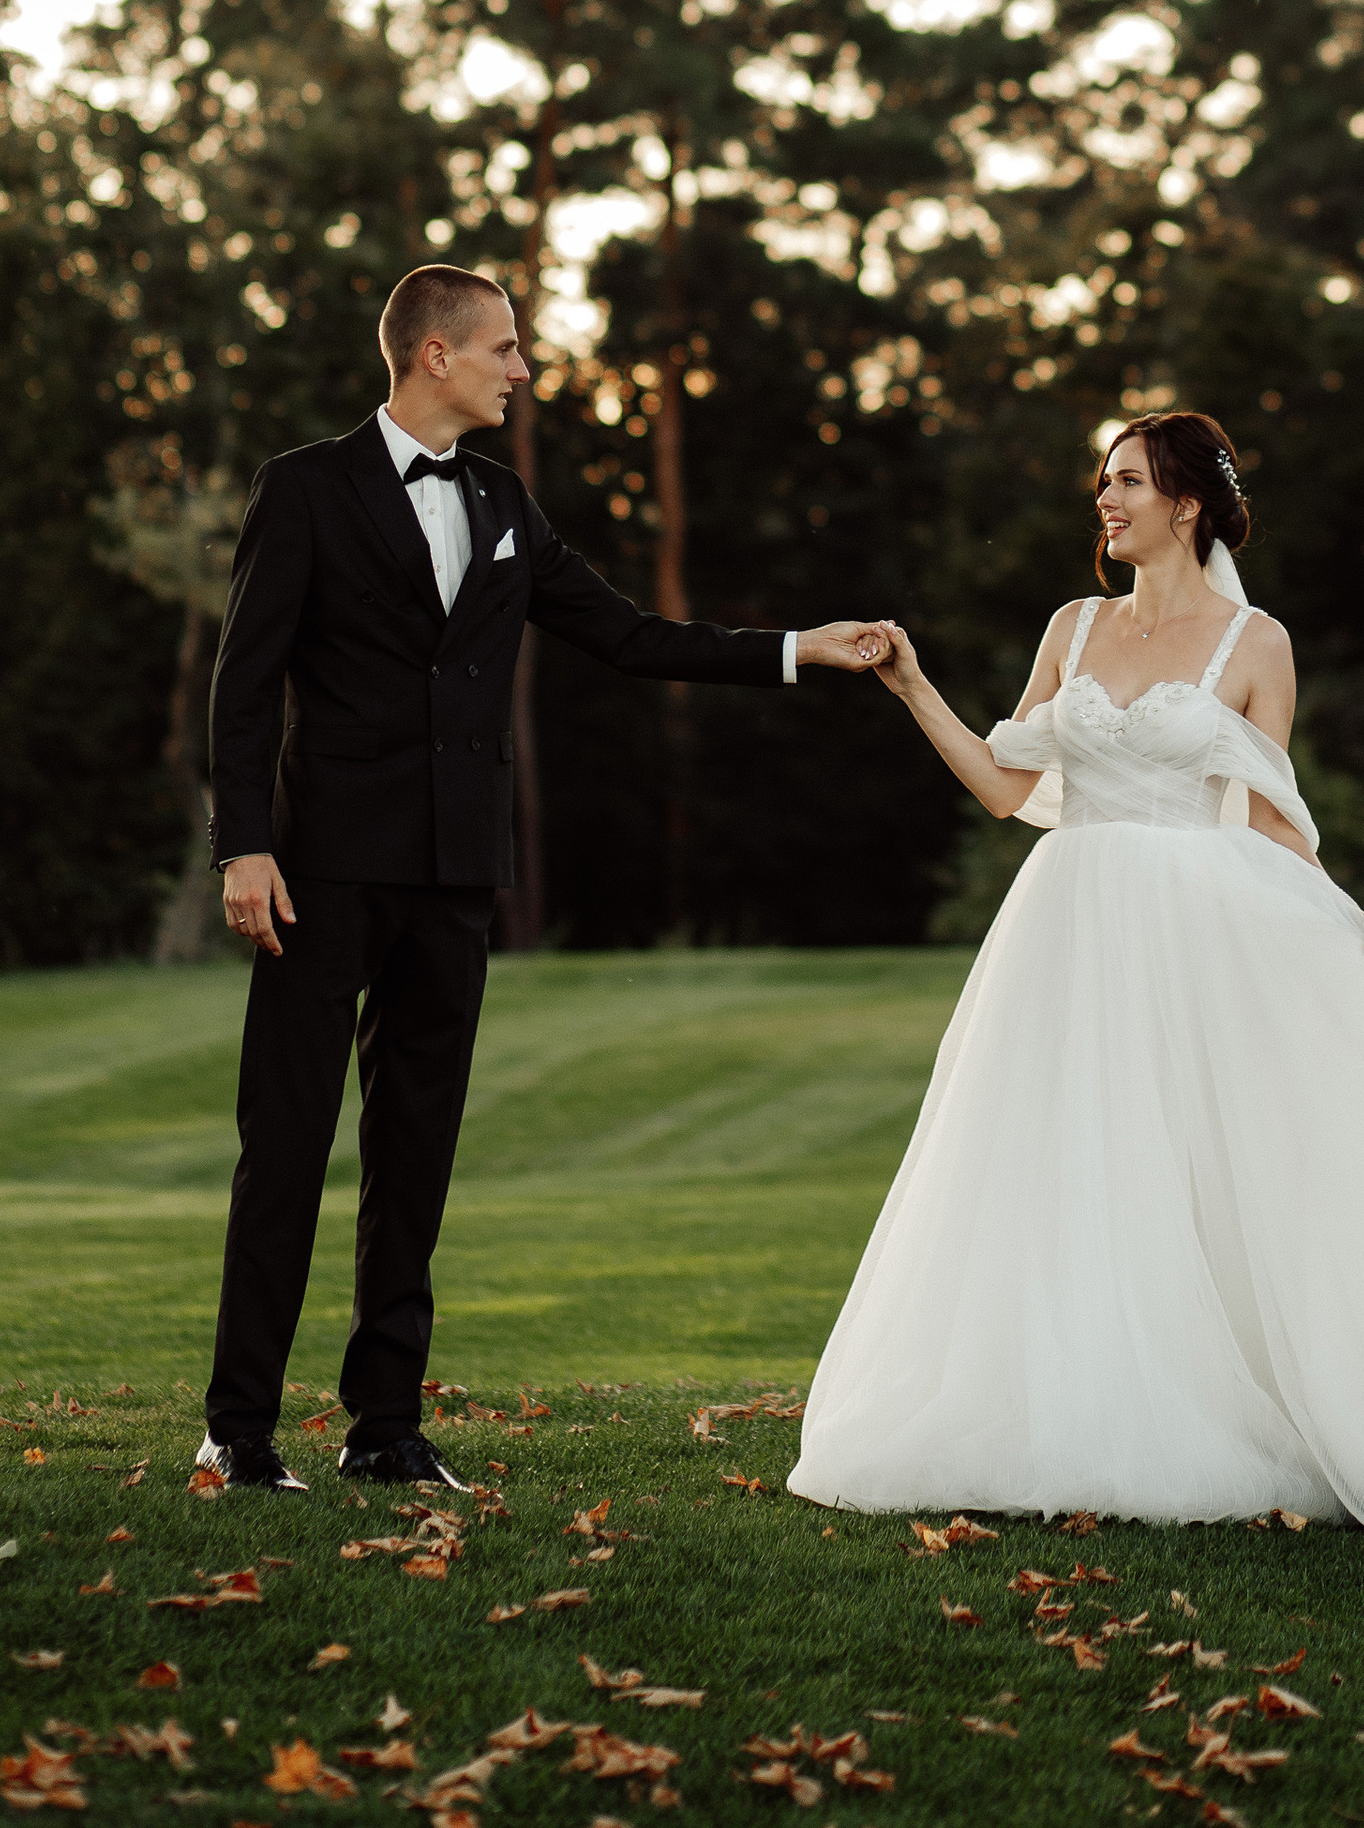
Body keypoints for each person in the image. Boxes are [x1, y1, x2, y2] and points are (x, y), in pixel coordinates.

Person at [788, 409, 1364, 1531]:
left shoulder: (1255, 644)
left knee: (1199, 1164)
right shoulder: (1073, 624)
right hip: (1067, 924)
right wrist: (910, 685)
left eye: (1128, 483)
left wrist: (1341, 920)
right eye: (1104, 481)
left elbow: (1268, 822)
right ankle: (1064, 1411)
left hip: (1195, 930)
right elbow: (1010, 789)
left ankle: (1235, 1408)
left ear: (1186, 504)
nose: (1105, 500)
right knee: (1059, 1163)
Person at [196, 261, 888, 1494]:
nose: (523, 368)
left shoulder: (507, 501)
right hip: (323, 872)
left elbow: (628, 637)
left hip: (459, 878)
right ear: (434, 358)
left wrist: (794, 648)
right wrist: (243, 844)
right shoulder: (303, 489)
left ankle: (384, 1430)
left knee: (415, 1154)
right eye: (506, 349)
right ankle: (240, 1430)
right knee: (288, 1145)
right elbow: (244, 682)